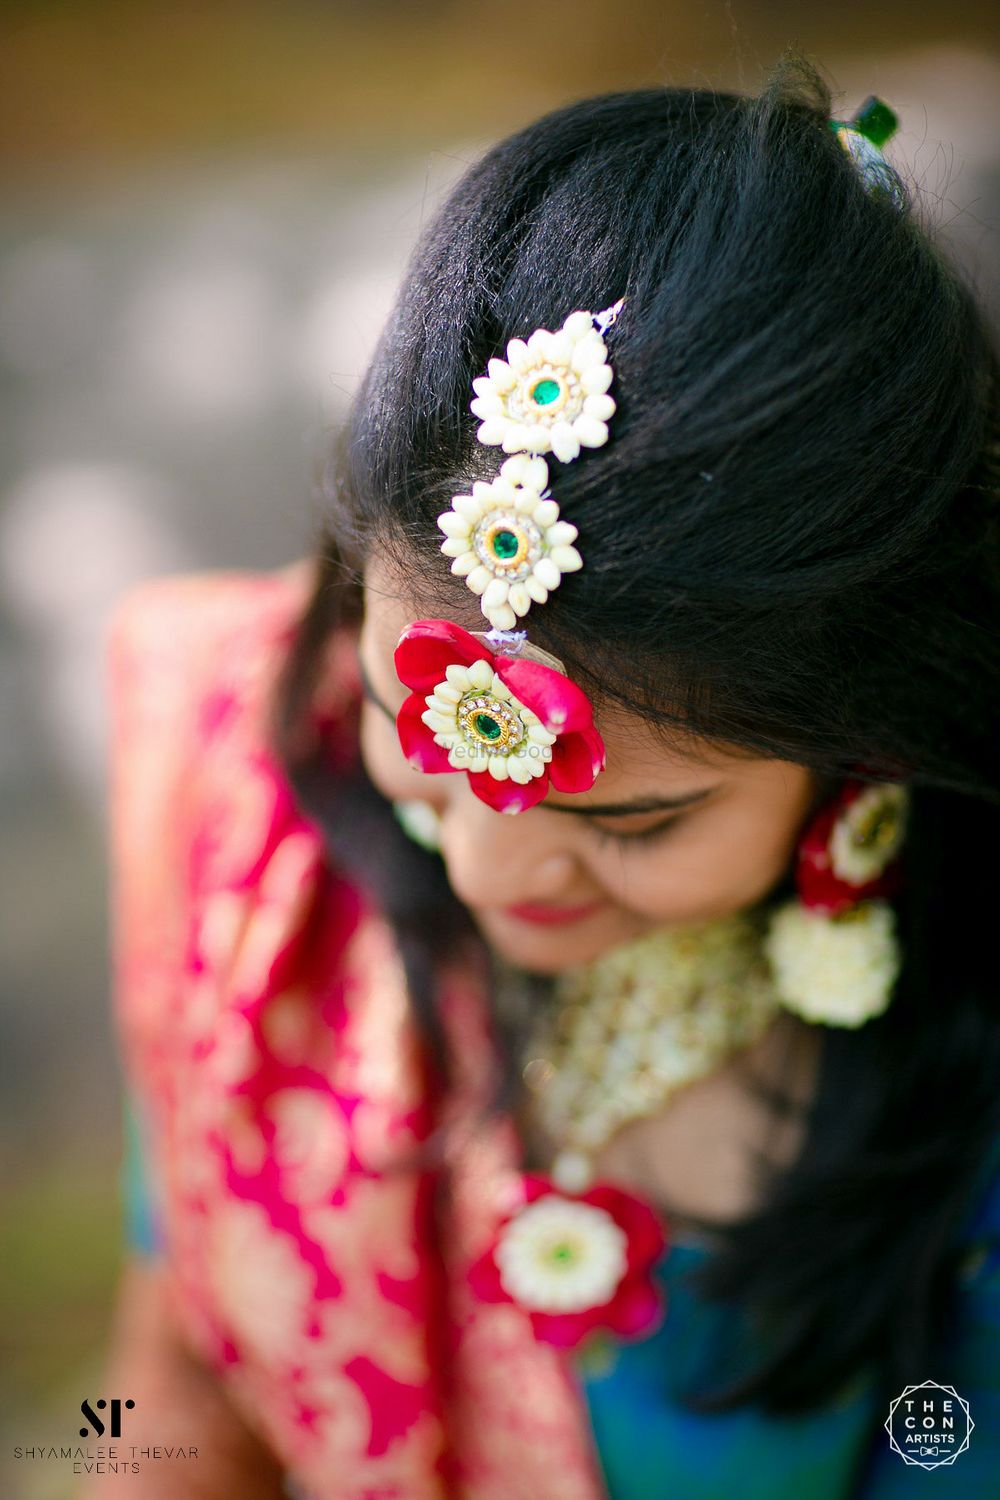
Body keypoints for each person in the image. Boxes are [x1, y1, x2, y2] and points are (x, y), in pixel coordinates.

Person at [80, 49, 1000, 1500]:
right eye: (415, 735)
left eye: (631, 817)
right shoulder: (235, 820)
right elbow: (166, 1390)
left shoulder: (958, 1077)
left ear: (863, 741)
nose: (490, 868)